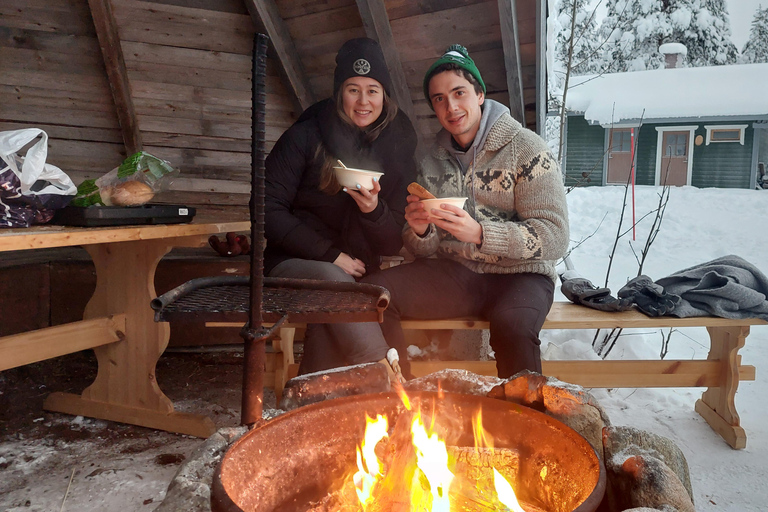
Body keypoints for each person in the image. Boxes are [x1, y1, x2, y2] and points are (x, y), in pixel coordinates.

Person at [362, 44, 569, 379]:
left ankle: (522, 423)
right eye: (439, 99)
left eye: (459, 92)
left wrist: (481, 234)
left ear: (480, 95)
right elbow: (423, 249)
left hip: (522, 276)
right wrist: (419, 231)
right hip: (457, 274)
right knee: (377, 297)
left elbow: (555, 236)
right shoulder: (432, 158)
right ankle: (402, 399)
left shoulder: (527, 148)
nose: (451, 106)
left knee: (514, 327)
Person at [264, 37, 417, 377]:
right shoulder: (304, 137)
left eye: (372, 90)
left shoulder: (397, 148)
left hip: (358, 272)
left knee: (333, 316)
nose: (363, 101)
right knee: (339, 288)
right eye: (353, 89)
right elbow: (265, 210)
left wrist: (373, 210)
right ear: (339, 93)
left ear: (384, 95)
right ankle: (391, 383)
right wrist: (330, 255)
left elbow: (393, 241)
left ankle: (312, 401)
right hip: (294, 264)